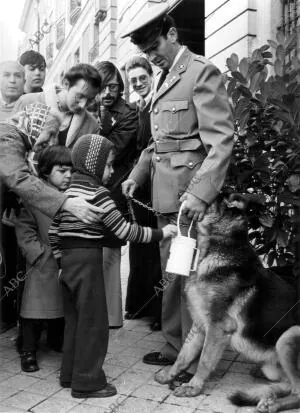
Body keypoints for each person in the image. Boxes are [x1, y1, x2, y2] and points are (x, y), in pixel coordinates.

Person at [121, 2, 234, 385]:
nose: (151, 57)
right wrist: (138, 173)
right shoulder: (165, 76)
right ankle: (175, 346)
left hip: (189, 199)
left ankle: (193, 356)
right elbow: (158, 142)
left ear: (172, 34)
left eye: (154, 47)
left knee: (190, 279)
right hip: (166, 196)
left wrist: (201, 195)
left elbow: (221, 142)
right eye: (145, 52)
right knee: (173, 272)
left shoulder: (201, 73)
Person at [48, 134, 177, 398]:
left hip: (68, 264)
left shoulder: (66, 193)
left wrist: (61, 262)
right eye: (108, 165)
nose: (110, 171)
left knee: (73, 320)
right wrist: (162, 234)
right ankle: (88, 382)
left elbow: (53, 232)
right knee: (94, 323)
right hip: (88, 261)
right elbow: (124, 231)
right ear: (94, 165)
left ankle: (69, 374)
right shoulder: (98, 194)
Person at [15, 145, 72, 373]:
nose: (68, 175)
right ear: (47, 171)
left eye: (71, 171)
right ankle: (28, 350)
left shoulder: (71, 196)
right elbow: (24, 227)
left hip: (62, 260)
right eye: (62, 170)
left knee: (60, 304)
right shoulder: (34, 196)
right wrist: (38, 254)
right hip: (41, 260)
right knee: (33, 309)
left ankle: (55, 340)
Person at [95, 61, 139, 328]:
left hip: (113, 190)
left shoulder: (128, 113)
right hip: (89, 189)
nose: (109, 92)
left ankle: (112, 316)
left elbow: (112, 150)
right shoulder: (90, 109)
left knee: (110, 251)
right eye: (104, 86)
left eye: (114, 86)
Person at [124, 56, 162, 330]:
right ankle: (140, 305)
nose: (138, 83)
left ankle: (161, 312)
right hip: (139, 185)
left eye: (142, 77)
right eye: (133, 80)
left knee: (159, 247)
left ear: (151, 74)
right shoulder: (135, 107)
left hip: (159, 182)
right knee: (140, 244)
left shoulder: (159, 103)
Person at [13, 63, 101, 148]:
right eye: (80, 96)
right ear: (66, 84)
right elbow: (9, 145)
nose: (83, 105)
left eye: (90, 100)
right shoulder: (27, 102)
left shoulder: (92, 125)